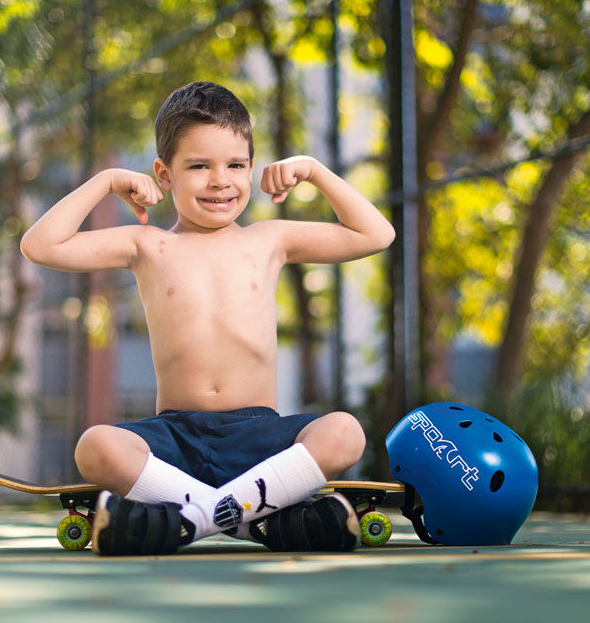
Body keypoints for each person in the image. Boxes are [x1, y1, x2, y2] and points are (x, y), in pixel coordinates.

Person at [20, 81, 395, 555]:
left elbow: (376, 234)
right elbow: (40, 245)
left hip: (260, 438)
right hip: (176, 438)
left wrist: (314, 171)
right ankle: (258, 523)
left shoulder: (269, 239)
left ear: (252, 169)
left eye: (235, 165)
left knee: (344, 432)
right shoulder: (148, 245)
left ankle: (188, 521)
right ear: (164, 173)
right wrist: (107, 181)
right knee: (95, 446)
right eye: (199, 166)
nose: (220, 180)